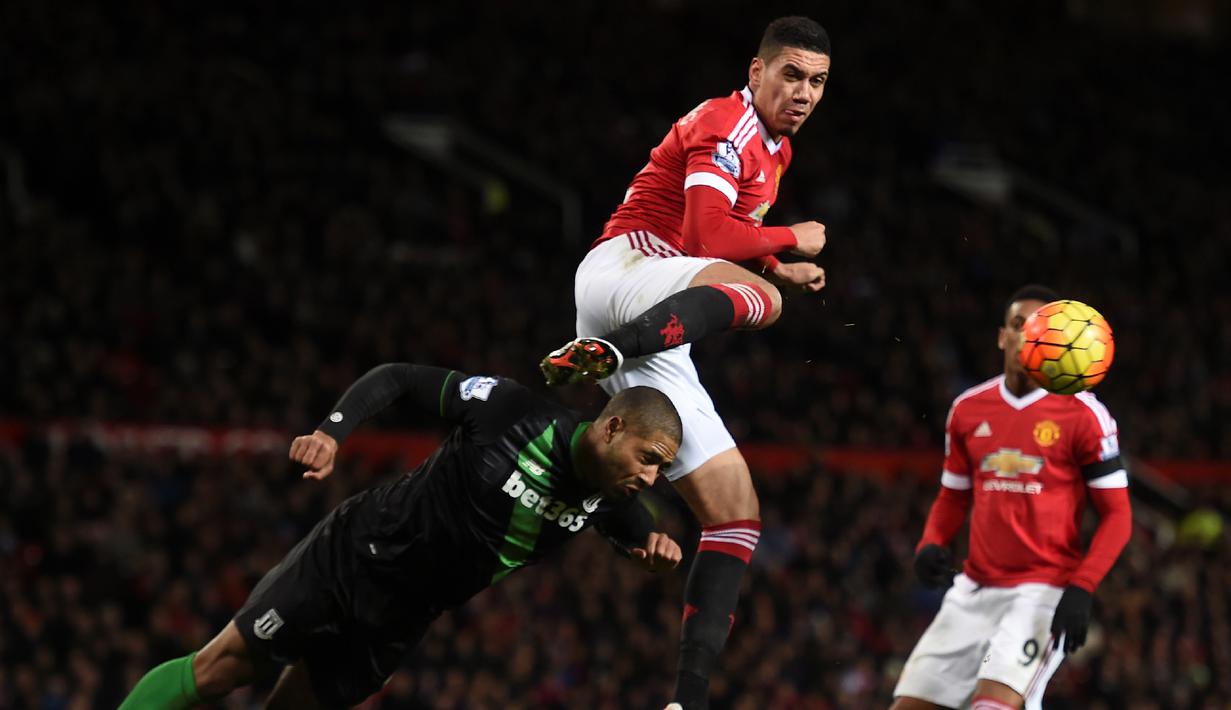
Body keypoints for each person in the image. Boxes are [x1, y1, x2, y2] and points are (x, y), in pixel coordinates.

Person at [540, 16, 832, 710]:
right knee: (761, 301)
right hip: (627, 267)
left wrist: (773, 263)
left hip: (660, 317)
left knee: (735, 516)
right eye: (790, 74)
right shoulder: (725, 123)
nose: (803, 92)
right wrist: (794, 239)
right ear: (755, 71)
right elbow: (703, 233)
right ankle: (606, 352)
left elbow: (722, 241)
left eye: (817, 81)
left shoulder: (774, 150)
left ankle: (687, 700)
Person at [118, 363, 685, 709]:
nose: (651, 477)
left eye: (660, 469)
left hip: (403, 616)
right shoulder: (514, 411)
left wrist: (652, 544)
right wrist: (331, 433)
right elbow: (399, 378)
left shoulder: (613, 495)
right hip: (353, 559)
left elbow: (631, 524)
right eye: (648, 459)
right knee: (222, 671)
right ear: (611, 427)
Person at [891, 285, 1133, 710]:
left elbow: (1118, 516)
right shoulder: (968, 409)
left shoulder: (1085, 414)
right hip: (974, 590)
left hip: (1041, 592)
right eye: (1021, 325)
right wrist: (931, 542)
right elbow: (952, 497)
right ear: (1003, 335)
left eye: (1042, 327)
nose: (1030, 335)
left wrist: (1082, 587)